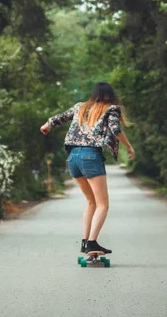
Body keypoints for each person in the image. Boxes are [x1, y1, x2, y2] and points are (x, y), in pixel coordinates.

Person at [40, 81, 135, 255]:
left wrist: (47, 125)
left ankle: (85, 243)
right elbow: (115, 128)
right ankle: (92, 243)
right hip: (90, 156)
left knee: (91, 202)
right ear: (110, 95)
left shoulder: (80, 107)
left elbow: (59, 118)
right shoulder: (111, 108)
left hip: (73, 158)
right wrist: (129, 147)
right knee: (102, 205)